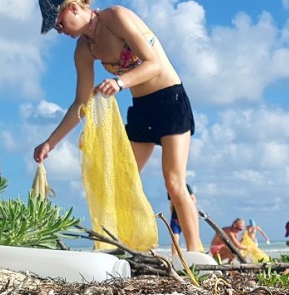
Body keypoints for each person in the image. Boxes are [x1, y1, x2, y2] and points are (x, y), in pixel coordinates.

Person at [34, 0, 201, 251]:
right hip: (142, 109)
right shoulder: (84, 49)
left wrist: (119, 83)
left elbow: (153, 64)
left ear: (73, 7)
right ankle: (126, 246)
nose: (59, 29)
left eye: (58, 21)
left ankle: (195, 251)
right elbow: (81, 103)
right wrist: (51, 142)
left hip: (170, 99)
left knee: (174, 183)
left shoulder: (116, 17)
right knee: (120, 180)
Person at [168, 183, 195, 254]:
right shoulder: (184, 187)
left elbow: (171, 204)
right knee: (177, 239)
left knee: (176, 239)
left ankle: (176, 256)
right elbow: (193, 199)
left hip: (180, 217)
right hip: (180, 217)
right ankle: (176, 256)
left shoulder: (171, 186)